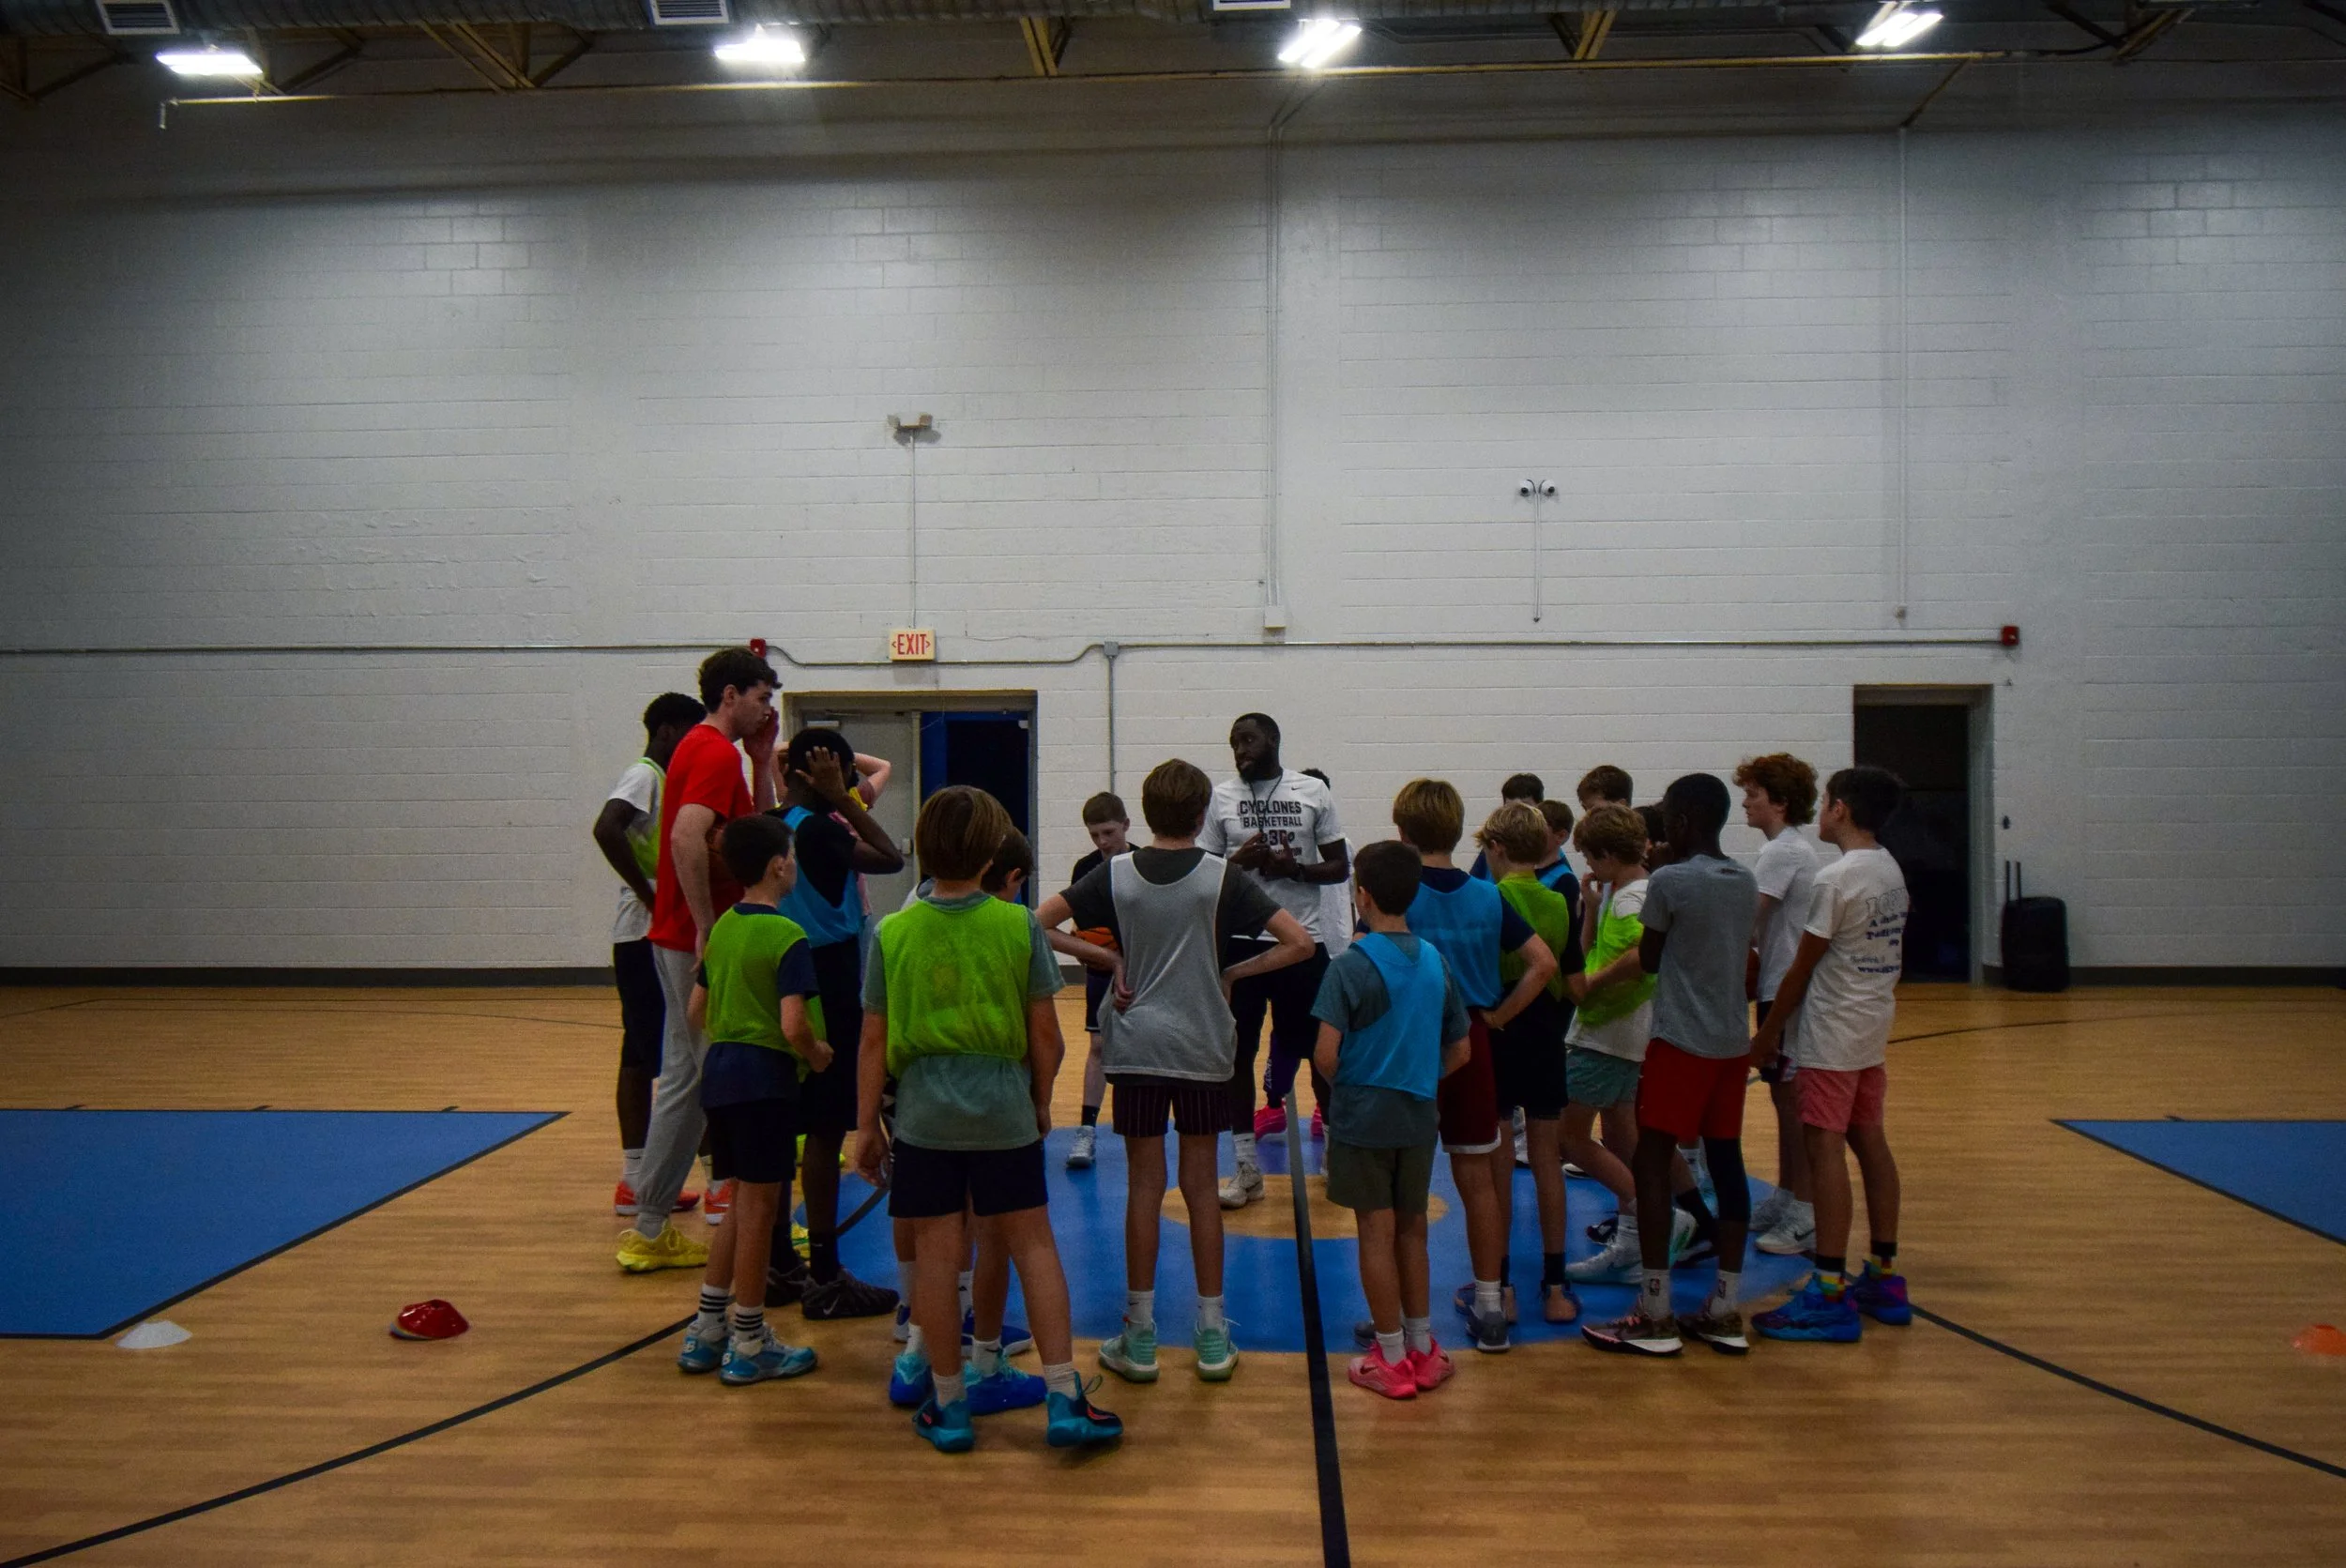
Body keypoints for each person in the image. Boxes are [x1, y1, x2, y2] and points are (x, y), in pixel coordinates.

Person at [853, 786, 1122, 1454]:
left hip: (923, 1115)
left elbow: (872, 1041)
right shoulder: (1017, 925)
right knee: (1035, 1245)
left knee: (938, 1259)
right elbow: (1046, 1037)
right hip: (1003, 1105)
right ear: (989, 856)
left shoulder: (892, 932)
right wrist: (1040, 1100)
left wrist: (865, 1127)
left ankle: (948, 1405)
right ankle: (1063, 1396)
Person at [1038, 758, 1311, 1384]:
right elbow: (1299, 942)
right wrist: (1232, 973)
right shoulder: (1222, 875)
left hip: (1136, 1046)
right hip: (1202, 1047)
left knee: (1143, 1186)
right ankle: (1211, 1332)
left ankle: (1139, 1335)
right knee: (1201, 1188)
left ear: (1144, 811)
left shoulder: (1117, 873)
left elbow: (1039, 922)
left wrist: (1108, 959)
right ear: (1201, 814)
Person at [1581, 773, 1758, 1359]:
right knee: (1727, 1164)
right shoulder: (1744, 878)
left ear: (1681, 822)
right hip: (1732, 1043)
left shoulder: (1671, 881)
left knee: (1652, 1164)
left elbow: (1652, 957)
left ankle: (1655, 1313)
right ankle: (1724, 1309)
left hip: (1681, 1041)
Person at [619, 647, 780, 1274]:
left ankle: (650, 1224)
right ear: (731, 694)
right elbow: (688, 835)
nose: (767, 710)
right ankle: (745, 1218)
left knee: (687, 1081)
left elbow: (754, 832)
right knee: (722, 1077)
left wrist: (762, 762)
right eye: (762, 698)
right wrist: (708, 926)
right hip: (692, 938)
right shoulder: (711, 752)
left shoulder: (710, 750)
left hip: (677, 934)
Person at [1389, 779, 1557, 1353]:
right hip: (1475, 1042)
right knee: (1478, 1180)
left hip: (1412, 1046)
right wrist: (1500, 1016)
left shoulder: (1399, 894)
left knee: (1406, 1184)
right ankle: (1491, 1306)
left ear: (1402, 832)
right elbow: (1542, 964)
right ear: (1461, 832)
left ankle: (1404, 1319)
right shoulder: (1488, 895)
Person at [1753, 767, 1913, 1343]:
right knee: (1871, 1142)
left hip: (1830, 1034)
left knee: (1824, 1149)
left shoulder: (1836, 878)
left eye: (1824, 802)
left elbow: (1799, 970)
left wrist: (1768, 1033)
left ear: (1840, 809)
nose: (1819, 812)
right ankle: (1885, 1275)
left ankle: (1827, 1289)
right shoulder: (1889, 868)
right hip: (1871, 1027)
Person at [1313, 840, 1472, 1400]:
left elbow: (1325, 1056)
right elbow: (1461, 1051)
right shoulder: (1435, 961)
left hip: (1364, 1117)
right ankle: (1424, 1348)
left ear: (1362, 896)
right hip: (1418, 1115)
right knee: (1413, 1229)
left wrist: (1357, 1088)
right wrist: (1418, 1078)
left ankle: (1390, 1355)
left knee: (1374, 1233)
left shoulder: (1347, 967)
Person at [675, 814, 827, 1386]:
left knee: (740, 1204)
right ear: (778, 866)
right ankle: (749, 1339)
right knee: (762, 1212)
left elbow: (696, 1012)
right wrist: (817, 1054)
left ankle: (707, 1329)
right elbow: (793, 1025)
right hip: (765, 1082)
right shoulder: (787, 936)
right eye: (792, 856)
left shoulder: (722, 931)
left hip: (720, 1076)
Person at [771, 727, 905, 1319]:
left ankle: (778, 1261)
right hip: (827, 976)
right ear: (820, 775)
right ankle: (825, 1276)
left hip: (780, 970)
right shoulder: (822, 829)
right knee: (826, 1130)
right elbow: (891, 857)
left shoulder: (772, 825)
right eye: (844, 775)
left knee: (784, 1129)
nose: (851, 785)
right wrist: (842, 801)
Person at [1198, 714, 1350, 1208]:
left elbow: (1340, 867)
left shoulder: (1312, 791)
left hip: (1302, 941)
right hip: (1241, 943)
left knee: (1320, 1054)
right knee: (1237, 1055)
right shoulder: (1220, 798)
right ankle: (1246, 1166)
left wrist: (1295, 870)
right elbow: (1203, 872)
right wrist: (1237, 863)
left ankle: (1334, 1153)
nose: (1240, 749)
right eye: (1233, 742)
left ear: (1273, 740)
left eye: (1248, 739)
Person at [1560, 806, 1696, 1286]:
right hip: (1620, 1035)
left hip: (1606, 1035)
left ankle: (1659, 1216)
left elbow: (1641, 957)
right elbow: (1602, 951)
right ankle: (1633, 1243)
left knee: (1569, 1137)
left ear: (1607, 855)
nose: (1587, 867)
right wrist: (1591, 910)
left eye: (1589, 857)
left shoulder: (1633, 899)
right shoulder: (1626, 893)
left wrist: (1591, 985)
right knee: (1621, 1138)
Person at [590, 691, 706, 1218]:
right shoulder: (645, 776)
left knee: (645, 1053)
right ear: (666, 731)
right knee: (666, 1054)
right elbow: (605, 827)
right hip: (643, 933)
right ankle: (646, 1178)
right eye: (688, 734)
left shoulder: (663, 779)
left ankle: (638, 1179)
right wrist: (649, 894)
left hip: (647, 932)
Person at [1477, 802, 1582, 1322]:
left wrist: (1498, 1016)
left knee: (1497, 1164)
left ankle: (1501, 1289)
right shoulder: (1559, 901)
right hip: (1547, 1039)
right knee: (1547, 1162)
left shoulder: (1490, 899)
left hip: (1501, 1037)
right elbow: (1570, 980)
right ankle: (1556, 1287)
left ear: (1496, 848)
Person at [1735, 753, 1823, 1257]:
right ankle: (1789, 1195)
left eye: (1754, 794)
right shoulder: (1784, 849)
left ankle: (1805, 1212)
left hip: (1786, 987)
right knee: (1781, 1099)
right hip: (1776, 983)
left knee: (1793, 1105)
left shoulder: (1783, 852)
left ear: (1781, 802)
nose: (1746, 803)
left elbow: (1745, 921)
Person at [1062, 792, 1134, 1171]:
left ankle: (1139, 1127)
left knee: (1141, 1048)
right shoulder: (1085, 868)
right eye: (1095, 835)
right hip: (1102, 968)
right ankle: (1087, 1130)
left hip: (1141, 969)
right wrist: (1093, 952)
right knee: (1098, 1046)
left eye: (1108, 832)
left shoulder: (1142, 863)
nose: (1102, 842)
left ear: (1126, 826)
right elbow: (1082, 930)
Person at [1468, 773, 1546, 880]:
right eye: (1511, 809)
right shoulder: (1493, 847)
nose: (1518, 816)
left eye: (1526, 808)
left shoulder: (1551, 851)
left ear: (1540, 808)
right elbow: (1475, 882)